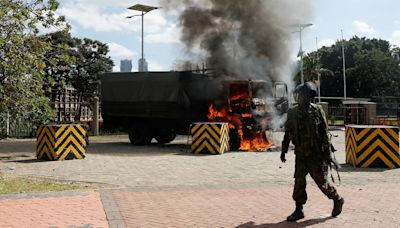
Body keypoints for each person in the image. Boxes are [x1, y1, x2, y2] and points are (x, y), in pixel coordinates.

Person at [281, 82, 344, 222]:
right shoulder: (292, 112)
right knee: (299, 181)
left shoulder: (317, 110)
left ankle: (337, 199)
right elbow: (287, 132)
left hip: (315, 155)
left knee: (322, 182)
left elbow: (324, 134)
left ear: (310, 97)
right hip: (301, 154)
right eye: (299, 95)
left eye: (304, 95)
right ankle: (299, 209)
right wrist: (283, 150)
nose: (301, 98)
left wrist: (327, 155)